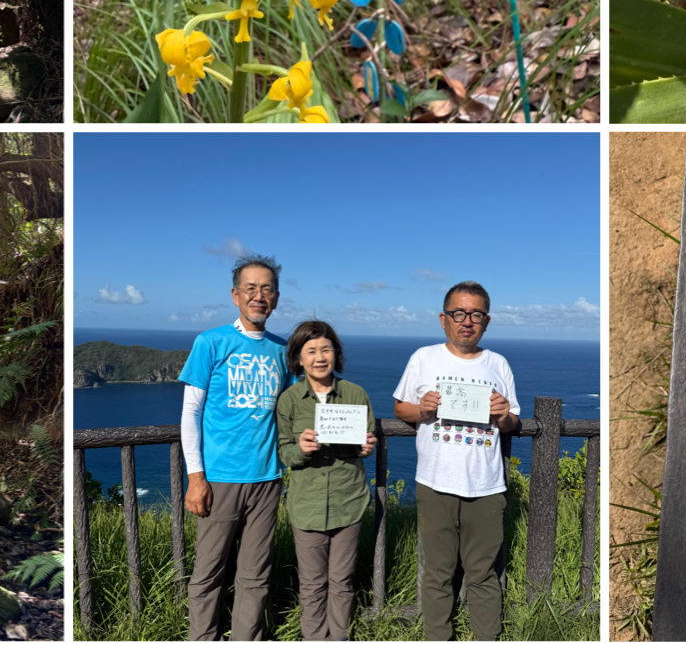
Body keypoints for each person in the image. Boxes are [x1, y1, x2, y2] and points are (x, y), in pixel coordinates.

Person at [394, 283, 521, 642]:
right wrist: (422, 409)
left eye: (476, 314)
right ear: (443, 319)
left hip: (487, 485)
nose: (467, 321)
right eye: (459, 314)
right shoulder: (423, 358)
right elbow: (399, 407)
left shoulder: (499, 364)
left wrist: (502, 415)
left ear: (487, 321)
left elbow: (513, 421)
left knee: (483, 575)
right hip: (435, 484)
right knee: (437, 574)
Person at [180, 254, 289, 641]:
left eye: (267, 290)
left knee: (255, 575)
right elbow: (190, 412)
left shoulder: (282, 350)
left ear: (275, 298)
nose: (259, 296)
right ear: (235, 295)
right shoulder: (211, 342)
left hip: (268, 478)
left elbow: (297, 411)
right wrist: (196, 477)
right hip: (220, 478)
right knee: (208, 572)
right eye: (250, 289)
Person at [275, 321, 378, 642]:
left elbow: (365, 442)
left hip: (349, 502)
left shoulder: (355, 393)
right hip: (307, 505)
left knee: (342, 580)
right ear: (299, 359)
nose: (320, 357)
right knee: (312, 583)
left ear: (336, 353)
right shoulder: (290, 400)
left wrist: (367, 447)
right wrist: (300, 450)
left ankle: (340, 639)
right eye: (311, 351)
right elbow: (284, 452)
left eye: (326, 349)